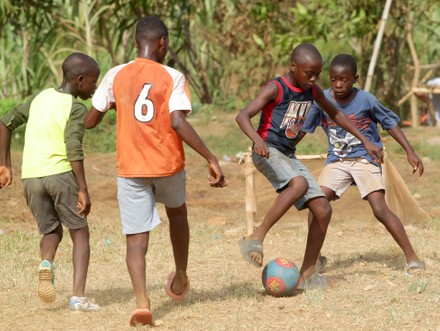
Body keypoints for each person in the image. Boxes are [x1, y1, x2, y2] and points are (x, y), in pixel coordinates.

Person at [83, 15, 227, 326]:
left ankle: (142, 303)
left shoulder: (115, 75)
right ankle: (180, 278)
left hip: (131, 168)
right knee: (178, 214)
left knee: (136, 240)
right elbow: (177, 120)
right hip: (167, 165)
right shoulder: (172, 76)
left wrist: (113, 104)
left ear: (136, 42)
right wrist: (210, 156)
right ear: (162, 44)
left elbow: (90, 121)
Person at [236, 43, 383, 290]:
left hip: (288, 155)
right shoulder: (276, 88)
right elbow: (242, 116)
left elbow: (336, 114)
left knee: (323, 209)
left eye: (317, 74)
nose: (314, 79)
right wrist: (257, 140)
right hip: (267, 150)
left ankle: (308, 273)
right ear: (293, 66)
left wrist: (365, 140)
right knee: (299, 183)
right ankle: (255, 237)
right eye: (309, 73)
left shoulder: (312, 91)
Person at [300, 53, 425, 272]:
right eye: (333, 79)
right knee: (316, 203)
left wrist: (409, 151)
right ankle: (315, 258)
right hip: (337, 161)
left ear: (355, 78)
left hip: (364, 159)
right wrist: (281, 147)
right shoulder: (322, 100)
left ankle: (412, 257)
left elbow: (390, 123)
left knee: (379, 209)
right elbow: (304, 130)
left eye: (344, 80)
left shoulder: (366, 100)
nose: (338, 84)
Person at [0, 53, 101, 311]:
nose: (95, 87)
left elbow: (5, 123)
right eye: (93, 81)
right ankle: (78, 297)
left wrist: (5, 164)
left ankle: (46, 263)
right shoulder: (76, 108)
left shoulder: (40, 97)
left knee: (50, 230)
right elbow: (73, 148)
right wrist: (83, 189)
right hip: (60, 175)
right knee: (80, 232)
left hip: (31, 176)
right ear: (79, 80)